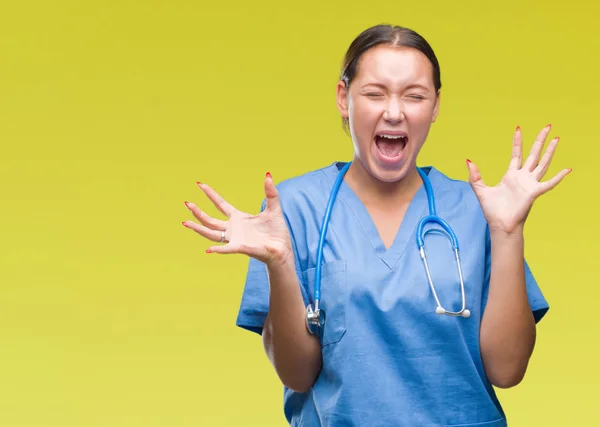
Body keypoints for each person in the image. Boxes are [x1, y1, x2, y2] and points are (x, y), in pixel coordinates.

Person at [182, 24, 570, 427]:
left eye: (414, 96)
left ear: (435, 106)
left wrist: (507, 233)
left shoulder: (478, 210)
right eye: (375, 93)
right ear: (343, 98)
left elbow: (508, 371)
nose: (394, 111)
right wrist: (279, 262)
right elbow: (297, 375)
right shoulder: (292, 209)